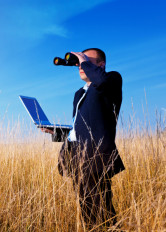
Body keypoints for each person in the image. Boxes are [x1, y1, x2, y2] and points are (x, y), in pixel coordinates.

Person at [41, 48, 125, 230]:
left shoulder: (111, 79)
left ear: (101, 64)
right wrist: (55, 132)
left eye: (86, 60)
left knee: (101, 209)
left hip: (95, 155)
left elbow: (101, 80)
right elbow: (79, 128)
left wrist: (83, 60)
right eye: (78, 63)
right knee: (87, 208)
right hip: (76, 155)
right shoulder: (79, 93)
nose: (80, 65)